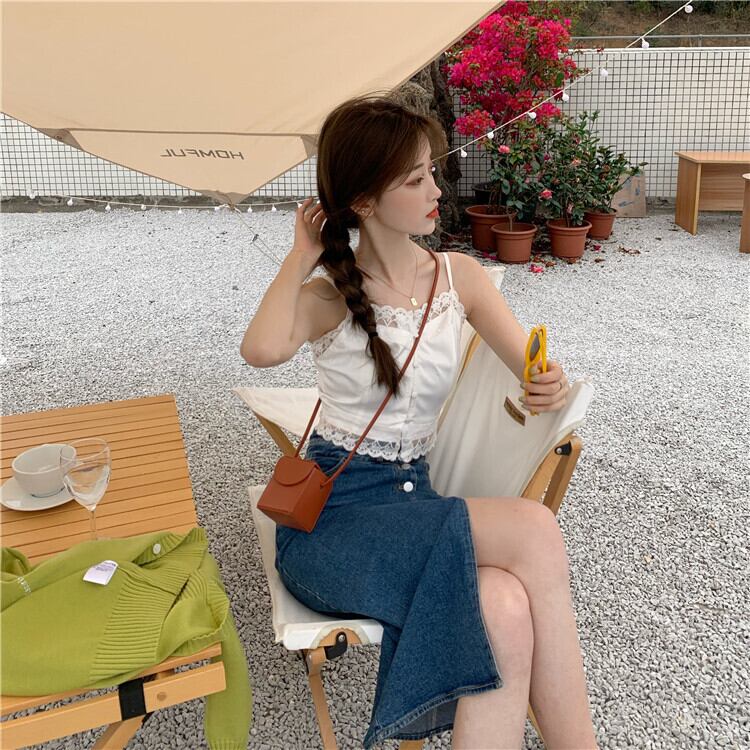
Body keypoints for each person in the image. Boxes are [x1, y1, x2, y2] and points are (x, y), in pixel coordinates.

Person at [240, 93, 598, 749]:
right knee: (535, 529)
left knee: (505, 605)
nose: (437, 190)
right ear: (364, 202)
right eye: (414, 180)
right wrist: (300, 255)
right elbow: (260, 350)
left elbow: (534, 370)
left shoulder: (461, 279)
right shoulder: (329, 296)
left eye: (432, 171)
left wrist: (544, 384)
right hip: (335, 522)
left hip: (414, 505)